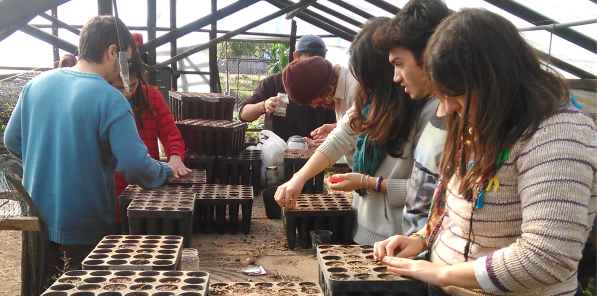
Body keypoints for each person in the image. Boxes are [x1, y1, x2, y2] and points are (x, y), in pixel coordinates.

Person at [373, 9, 597, 296]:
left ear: (495, 80)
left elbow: (548, 257)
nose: (450, 107)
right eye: (444, 95)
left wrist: (444, 273)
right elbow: (451, 201)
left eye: (457, 94)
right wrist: (423, 238)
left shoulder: (559, 133)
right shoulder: (482, 120)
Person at [3, 16, 172, 286]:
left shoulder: (36, 85)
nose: (125, 70)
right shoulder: (111, 99)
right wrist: (165, 169)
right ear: (112, 52)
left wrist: (50, 156)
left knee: (43, 287)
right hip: (86, 230)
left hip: (37, 223)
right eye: (126, 60)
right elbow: (135, 167)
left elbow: (12, 140)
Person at [275, 17, 438, 245]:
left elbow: (430, 191)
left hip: (400, 238)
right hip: (365, 225)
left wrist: (367, 182)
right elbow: (340, 137)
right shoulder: (374, 102)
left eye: (399, 65)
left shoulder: (428, 111)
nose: (397, 76)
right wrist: (299, 178)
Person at [372, 0, 451, 236]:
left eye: (399, 64)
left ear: (429, 54)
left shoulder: (461, 119)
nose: (395, 77)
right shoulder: (439, 112)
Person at [111, 50, 191, 231]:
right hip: (110, 197)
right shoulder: (101, 101)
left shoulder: (151, 97)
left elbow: (171, 133)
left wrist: (175, 156)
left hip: (145, 197)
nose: (127, 92)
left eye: (133, 84)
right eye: (120, 87)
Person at [239, 35, 336, 145]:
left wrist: (322, 141)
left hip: (312, 153)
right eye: (308, 62)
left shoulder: (327, 87)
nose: (312, 68)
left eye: (318, 62)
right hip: (275, 152)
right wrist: (264, 105)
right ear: (295, 56)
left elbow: (336, 126)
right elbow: (244, 114)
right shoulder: (273, 83)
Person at [282, 56, 360, 166]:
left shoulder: (355, 91)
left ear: (322, 87)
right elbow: (358, 125)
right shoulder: (339, 91)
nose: (314, 106)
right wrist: (336, 127)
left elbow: (371, 137)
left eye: (312, 100)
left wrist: (334, 144)